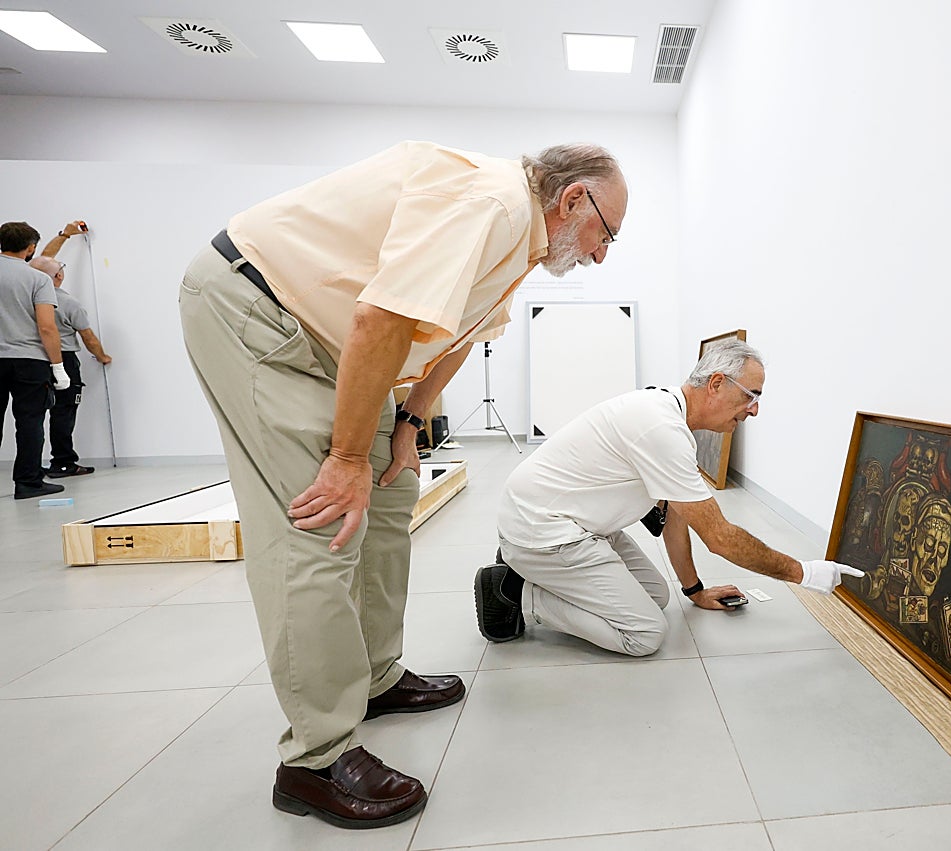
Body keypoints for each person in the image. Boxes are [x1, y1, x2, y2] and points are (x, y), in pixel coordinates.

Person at [179, 141, 627, 829]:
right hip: (259, 309)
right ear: (573, 200)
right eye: (607, 233)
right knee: (320, 522)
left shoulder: (522, 246)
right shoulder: (493, 204)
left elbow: (455, 338)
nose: (601, 254)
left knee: (391, 494)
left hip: (338, 345)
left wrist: (409, 422)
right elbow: (381, 317)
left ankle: (376, 676)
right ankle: (316, 756)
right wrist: (348, 456)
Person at [478, 340, 864, 656]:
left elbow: (677, 520)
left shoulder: (667, 414)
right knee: (645, 635)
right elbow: (720, 537)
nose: (755, 410)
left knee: (658, 595)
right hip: (544, 530)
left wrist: (695, 591)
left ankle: (537, 572)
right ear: (716, 383)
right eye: (752, 395)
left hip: (578, 521)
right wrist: (805, 573)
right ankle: (515, 590)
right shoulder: (662, 429)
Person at [0, 221, 71, 500]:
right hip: (29, 361)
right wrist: (58, 366)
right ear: (31, 248)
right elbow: (46, 327)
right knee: (29, 421)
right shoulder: (37, 279)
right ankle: (28, 481)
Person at [28, 255, 111, 477]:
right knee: (63, 412)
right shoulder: (67, 302)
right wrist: (103, 356)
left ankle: (31, 468)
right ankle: (63, 462)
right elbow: (88, 337)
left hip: (34, 359)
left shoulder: (25, 297)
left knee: (31, 415)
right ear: (59, 276)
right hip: (63, 358)